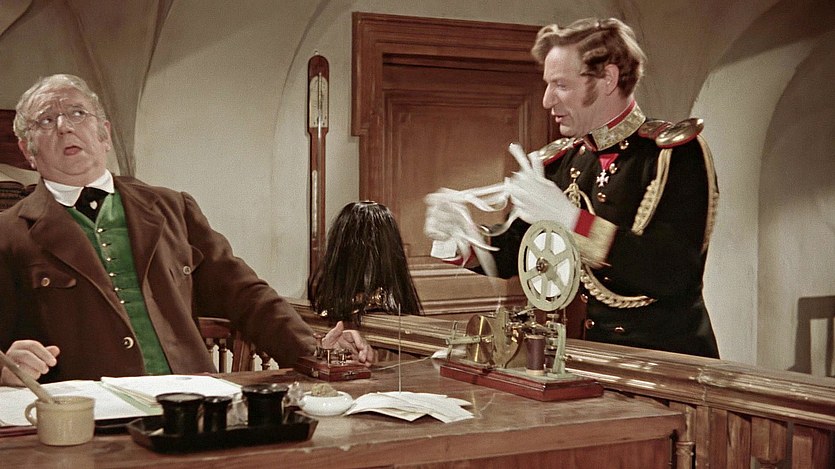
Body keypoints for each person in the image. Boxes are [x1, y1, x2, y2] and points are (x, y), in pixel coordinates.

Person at [0, 74, 376, 385]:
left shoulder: (172, 208)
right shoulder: (7, 234)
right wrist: (5, 367)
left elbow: (245, 294)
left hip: (191, 403)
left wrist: (317, 351)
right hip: (83, 418)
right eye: (46, 121)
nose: (64, 126)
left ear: (105, 134)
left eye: (77, 113)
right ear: (27, 150)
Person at [424, 17, 720, 358]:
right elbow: (516, 252)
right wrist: (459, 237)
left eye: (561, 85)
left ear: (607, 79)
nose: (547, 100)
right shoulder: (560, 161)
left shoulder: (672, 154)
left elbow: (673, 272)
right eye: (548, 85)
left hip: (665, 364)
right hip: (580, 357)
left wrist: (571, 220)